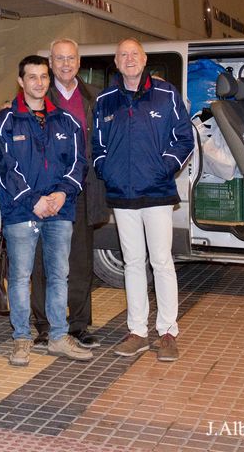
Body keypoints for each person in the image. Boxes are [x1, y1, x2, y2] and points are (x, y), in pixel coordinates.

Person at [93, 38, 194, 363]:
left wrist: (163, 168)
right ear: (117, 62)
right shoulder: (106, 100)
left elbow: (184, 137)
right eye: (122, 55)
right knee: (133, 263)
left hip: (157, 192)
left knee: (161, 262)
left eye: (134, 54)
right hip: (123, 196)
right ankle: (137, 331)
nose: (129, 59)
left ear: (144, 58)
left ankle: (167, 332)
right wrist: (107, 171)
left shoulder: (166, 95)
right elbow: (97, 146)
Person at [0, 55, 92, 367]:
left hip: (60, 210)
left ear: (49, 81)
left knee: (60, 274)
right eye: (31, 77)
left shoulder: (66, 121)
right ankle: (22, 338)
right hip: (22, 211)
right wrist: (32, 199)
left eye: (43, 77)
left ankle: (58, 336)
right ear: (21, 81)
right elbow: (2, 166)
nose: (38, 82)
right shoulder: (6, 120)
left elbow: (79, 163)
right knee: (21, 276)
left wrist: (62, 193)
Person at [32, 39, 102, 350]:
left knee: (80, 261)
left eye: (70, 58)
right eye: (59, 58)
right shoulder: (35, 97)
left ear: (79, 61)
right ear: (50, 62)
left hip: (82, 191)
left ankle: (78, 324)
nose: (65, 64)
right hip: (47, 194)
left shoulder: (94, 97)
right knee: (45, 263)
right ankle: (46, 325)